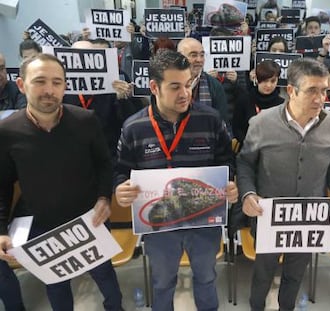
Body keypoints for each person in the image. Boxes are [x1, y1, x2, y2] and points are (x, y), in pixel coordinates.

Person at [113, 50, 238, 311]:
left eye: (188, 83)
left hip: (204, 221)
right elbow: (121, 169)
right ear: (154, 87)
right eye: (175, 86)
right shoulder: (133, 127)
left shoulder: (210, 119)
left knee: (206, 278)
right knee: (163, 282)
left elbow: (227, 159)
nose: (185, 93)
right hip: (159, 225)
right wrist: (120, 188)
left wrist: (229, 182)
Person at [0, 53, 123, 310]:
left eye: (57, 82)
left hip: (90, 219)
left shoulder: (86, 120)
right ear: (21, 85)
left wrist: (104, 197)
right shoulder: (7, 131)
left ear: (65, 85)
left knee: (104, 275)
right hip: (44, 226)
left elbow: (104, 164)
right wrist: (1, 230)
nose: (49, 90)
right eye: (40, 81)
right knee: (56, 285)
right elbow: (2, 184)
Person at [236, 58, 330, 311]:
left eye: (323, 91)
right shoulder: (261, 123)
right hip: (270, 216)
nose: (320, 98)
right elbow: (245, 163)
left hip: (309, 218)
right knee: (263, 274)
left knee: (294, 275)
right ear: (291, 90)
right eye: (312, 90)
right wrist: (247, 194)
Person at [177, 38, 229, 124]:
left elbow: (222, 123)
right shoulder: (168, 84)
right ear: (179, 57)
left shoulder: (214, 85)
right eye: (193, 55)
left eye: (202, 55)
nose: (199, 60)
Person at [233, 60, 284, 147]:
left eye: (273, 81)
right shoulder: (244, 100)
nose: (268, 85)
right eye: (264, 80)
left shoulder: (282, 104)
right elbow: (237, 128)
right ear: (257, 79)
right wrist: (250, 143)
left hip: (274, 151)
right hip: (248, 150)